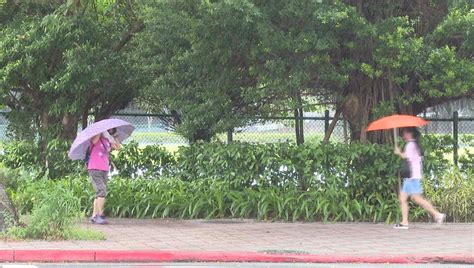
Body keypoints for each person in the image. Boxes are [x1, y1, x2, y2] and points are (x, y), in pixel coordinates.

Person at [393, 127, 445, 229]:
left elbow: (405, 156)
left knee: (416, 199)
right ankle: (405, 222)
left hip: (412, 177)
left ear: (409, 134)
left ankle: (437, 214)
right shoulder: (415, 145)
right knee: (404, 198)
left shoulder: (410, 145)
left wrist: (398, 152)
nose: (403, 136)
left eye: (404, 133)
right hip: (413, 176)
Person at [88, 128, 120, 224]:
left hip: (104, 169)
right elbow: (94, 141)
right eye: (108, 129)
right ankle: (100, 215)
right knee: (102, 191)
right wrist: (100, 131)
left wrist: (115, 138)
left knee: (99, 193)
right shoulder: (96, 138)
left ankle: (94, 216)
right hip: (94, 168)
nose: (110, 130)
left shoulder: (108, 140)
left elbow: (117, 147)